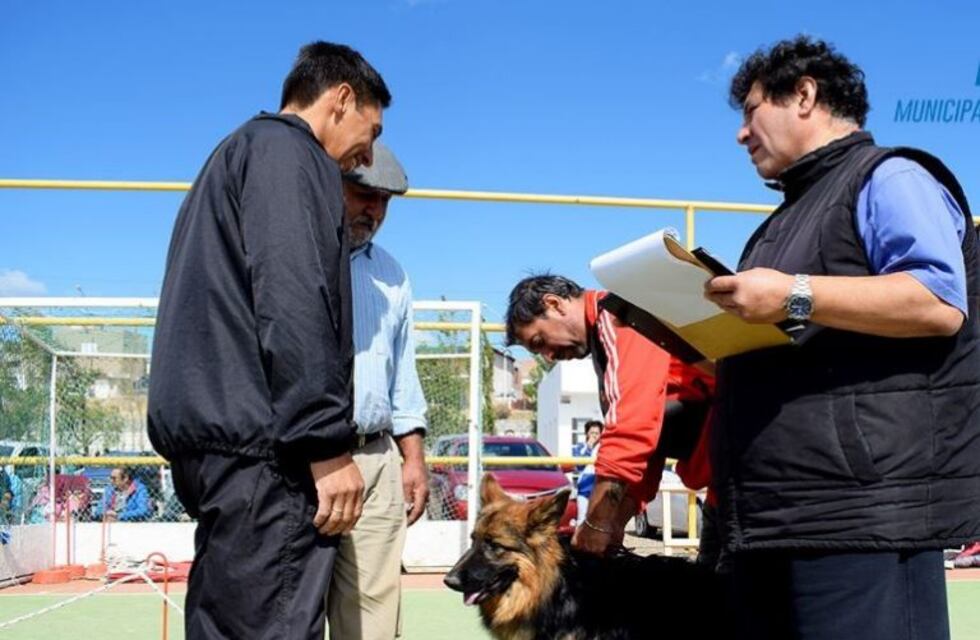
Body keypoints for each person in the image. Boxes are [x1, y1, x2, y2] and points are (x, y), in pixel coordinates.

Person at [704, 36, 980, 640]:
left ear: (803, 94)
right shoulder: (782, 221)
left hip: (861, 519)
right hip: (773, 519)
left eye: (750, 111)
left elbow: (938, 300)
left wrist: (792, 294)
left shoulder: (889, 177)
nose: (741, 134)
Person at [147, 41, 390, 640]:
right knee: (271, 624)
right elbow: (294, 294)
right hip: (265, 453)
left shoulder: (234, 155)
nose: (369, 151)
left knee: (226, 621)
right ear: (341, 99)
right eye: (372, 128)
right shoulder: (290, 155)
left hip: (218, 442)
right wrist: (324, 443)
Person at [506, 275, 714, 557]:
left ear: (554, 304)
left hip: (754, 465)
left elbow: (632, 427)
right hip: (728, 479)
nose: (549, 356)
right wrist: (615, 524)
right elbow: (648, 451)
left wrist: (598, 522)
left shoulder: (620, 315)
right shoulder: (604, 348)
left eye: (540, 340)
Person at [325, 141, 429, 640]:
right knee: (288, 609)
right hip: (304, 461)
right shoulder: (293, 256)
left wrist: (412, 459)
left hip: (375, 458)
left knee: (373, 621)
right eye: (363, 193)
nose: (376, 210)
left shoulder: (392, 273)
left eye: (385, 200)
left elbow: (401, 374)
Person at [571, 420, 603, 522]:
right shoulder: (580, 447)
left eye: (597, 433)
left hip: (599, 486)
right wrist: (589, 447)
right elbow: (579, 466)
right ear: (586, 433)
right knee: (582, 518)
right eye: (592, 433)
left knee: (597, 518)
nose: (594, 436)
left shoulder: (603, 448)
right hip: (585, 487)